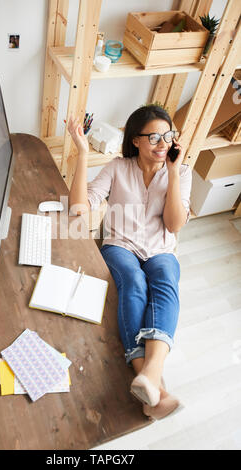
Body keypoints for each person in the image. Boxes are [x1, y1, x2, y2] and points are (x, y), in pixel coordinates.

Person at [67, 105, 192, 420]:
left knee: (165, 278)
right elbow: (79, 207)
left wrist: (174, 173)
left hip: (161, 248)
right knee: (134, 284)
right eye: (153, 137)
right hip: (120, 246)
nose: (163, 143)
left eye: (168, 136)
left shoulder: (183, 172)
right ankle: (153, 382)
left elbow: (174, 225)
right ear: (135, 140)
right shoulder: (117, 168)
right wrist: (82, 154)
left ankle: (149, 379)